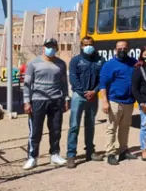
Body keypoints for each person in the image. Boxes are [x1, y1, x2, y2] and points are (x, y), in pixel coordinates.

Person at [22, 38, 70, 170]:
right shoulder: (33, 63)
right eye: (49, 46)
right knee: (35, 131)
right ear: (43, 48)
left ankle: (55, 154)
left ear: (57, 49)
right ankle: (32, 157)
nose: (51, 49)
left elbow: (64, 83)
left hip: (56, 100)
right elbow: (27, 84)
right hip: (38, 101)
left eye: (54, 47)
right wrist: (27, 102)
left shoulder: (61, 64)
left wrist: (66, 98)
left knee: (55, 129)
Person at [65, 36, 105, 168]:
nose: (88, 46)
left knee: (90, 124)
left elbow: (102, 78)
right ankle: (71, 155)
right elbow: (73, 78)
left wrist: (95, 91)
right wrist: (84, 92)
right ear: (81, 46)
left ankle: (90, 151)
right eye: (85, 44)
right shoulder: (76, 60)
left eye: (90, 44)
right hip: (79, 96)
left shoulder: (100, 60)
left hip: (93, 96)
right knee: (74, 125)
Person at [98, 39, 138, 166]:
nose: (122, 50)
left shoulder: (134, 63)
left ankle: (123, 150)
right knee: (111, 128)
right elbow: (103, 84)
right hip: (115, 101)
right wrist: (105, 101)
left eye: (125, 48)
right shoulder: (109, 65)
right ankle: (110, 153)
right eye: (119, 48)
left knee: (125, 127)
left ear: (129, 49)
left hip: (129, 101)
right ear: (115, 50)